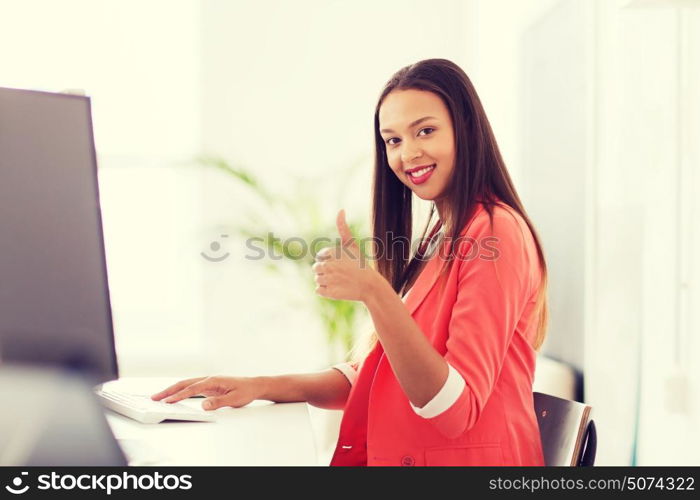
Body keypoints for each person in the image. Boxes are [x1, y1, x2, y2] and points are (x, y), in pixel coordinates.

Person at [152, 58, 549, 466]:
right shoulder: (442, 235)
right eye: (392, 140)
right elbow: (378, 375)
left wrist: (374, 292)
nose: (407, 154)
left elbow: (453, 408)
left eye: (425, 131)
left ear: (466, 129)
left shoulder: (496, 231)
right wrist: (260, 385)